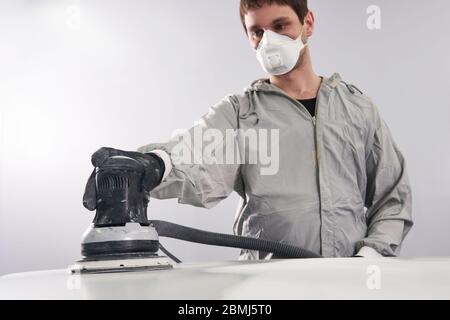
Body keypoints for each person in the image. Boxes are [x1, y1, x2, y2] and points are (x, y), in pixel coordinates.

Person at [84, 0, 413, 259]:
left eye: (280, 25)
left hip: (348, 282)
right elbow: (195, 153)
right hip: (269, 286)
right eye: (257, 31)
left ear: (307, 24)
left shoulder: (357, 108)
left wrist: (370, 256)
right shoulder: (240, 112)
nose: (269, 40)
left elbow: (393, 196)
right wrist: (154, 164)